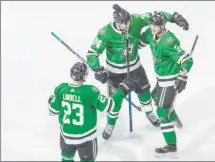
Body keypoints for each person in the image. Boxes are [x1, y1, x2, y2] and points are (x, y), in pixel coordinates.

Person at [86, 4, 189, 140]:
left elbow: (155, 16)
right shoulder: (105, 32)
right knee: (115, 101)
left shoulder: (136, 19)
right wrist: (97, 69)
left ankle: (149, 113)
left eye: (128, 23)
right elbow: (92, 52)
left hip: (135, 68)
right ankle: (110, 124)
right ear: (116, 23)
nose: (127, 27)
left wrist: (174, 17)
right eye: (123, 25)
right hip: (115, 73)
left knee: (145, 92)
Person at [48, 62, 136, 162]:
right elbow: (110, 105)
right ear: (85, 75)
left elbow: (52, 111)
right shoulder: (90, 92)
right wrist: (122, 90)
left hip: (66, 137)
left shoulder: (61, 89)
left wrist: (51, 98)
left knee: (66, 159)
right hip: (86, 139)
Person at [139, 12, 193, 157]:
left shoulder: (169, 41)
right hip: (160, 79)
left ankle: (171, 145)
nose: (153, 28)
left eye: (157, 26)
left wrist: (183, 75)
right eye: (152, 25)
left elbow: (187, 60)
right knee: (154, 96)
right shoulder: (150, 34)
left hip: (169, 81)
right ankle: (173, 117)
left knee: (162, 113)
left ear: (163, 26)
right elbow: (138, 43)